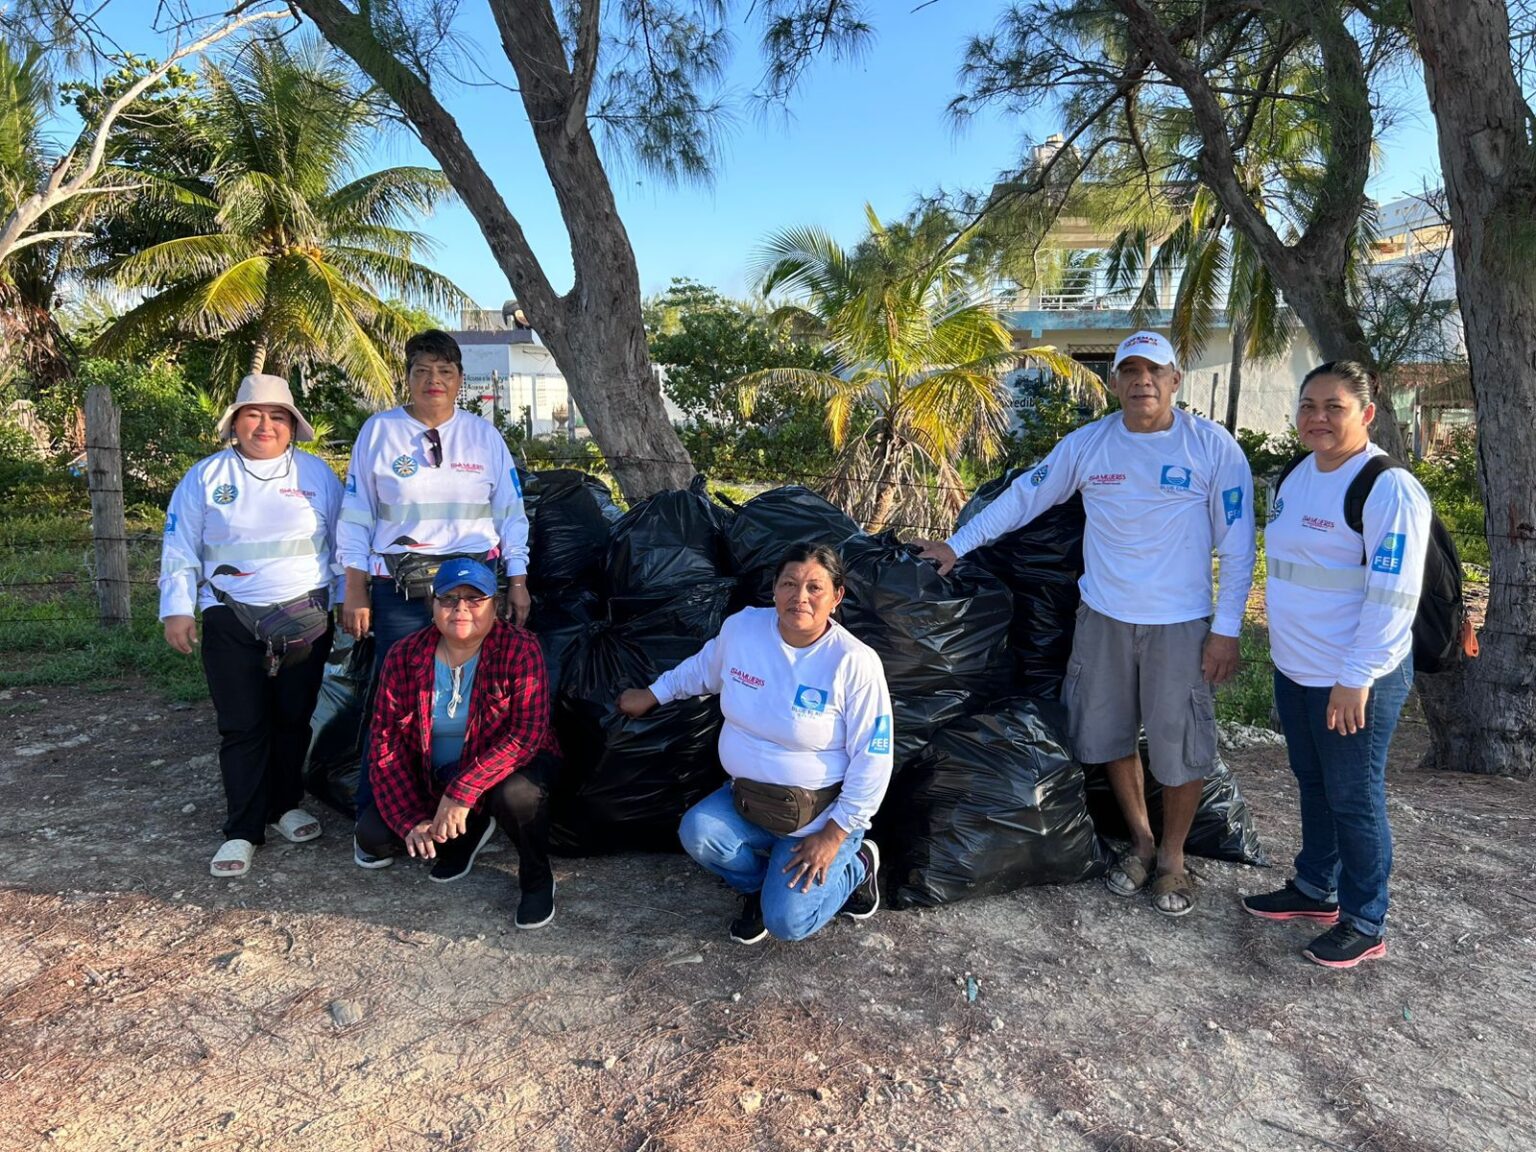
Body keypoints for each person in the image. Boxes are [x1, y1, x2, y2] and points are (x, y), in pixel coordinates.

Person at [916, 330, 1256, 919]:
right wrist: (956, 545)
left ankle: (1173, 856)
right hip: (1102, 618)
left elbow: (1240, 544)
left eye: (1154, 371)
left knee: (1181, 745)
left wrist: (1226, 630)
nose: (1142, 381)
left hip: (1180, 623)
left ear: (1175, 380)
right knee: (1109, 736)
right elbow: (1023, 498)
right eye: (1130, 371)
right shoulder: (1089, 444)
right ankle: (1141, 842)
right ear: (1114, 382)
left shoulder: (1212, 447)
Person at [1242, 362, 1430, 969]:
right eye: (1308, 405)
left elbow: (1393, 594)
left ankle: (1365, 919)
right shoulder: (1295, 476)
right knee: (1313, 780)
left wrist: (1356, 677)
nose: (1317, 418)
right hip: (1296, 666)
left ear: (1367, 414)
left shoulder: (1387, 487)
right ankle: (1314, 887)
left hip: (1353, 676)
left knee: (1354, 796)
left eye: (1334, 407)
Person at [617, 543, 893, 945]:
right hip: (748, 800)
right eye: (789, 583)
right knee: (698, 833)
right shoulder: (744, 630)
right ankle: (757, 889)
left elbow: (874, 758)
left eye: (815, 587)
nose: (800, 596)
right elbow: (702, 670)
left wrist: (833, 836)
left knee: (789, 923)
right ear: (774, 590)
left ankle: (858, 864)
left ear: (837, 597)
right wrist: (652, 694)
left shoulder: (854, 662)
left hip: (817, 819)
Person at [339, 329, 530, 865]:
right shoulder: (379, 432)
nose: (434, 381)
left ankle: (467, 807)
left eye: (445, 372)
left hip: (472, 586)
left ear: (460, 380)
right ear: (407, 377)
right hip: (400, 591)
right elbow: (355, 515)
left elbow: (510, 514)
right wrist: (354, 588)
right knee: (395, 702)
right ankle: (379, 814)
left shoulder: (483, 437)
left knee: (474, 694)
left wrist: (517, 580)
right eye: (422, 370)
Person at [159, 374, 343, 877]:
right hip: (229, 615)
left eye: (278, 416)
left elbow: (342, 543)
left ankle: (285, 806)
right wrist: (177, 608)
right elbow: (179, 545)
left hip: (305, 618)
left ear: (293, 425)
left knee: (293, 719)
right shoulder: (205, 477)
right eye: (254, 415)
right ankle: (242, 829)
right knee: (242, 724)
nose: (265, 425)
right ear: (235, 422)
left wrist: (348, 601)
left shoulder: (317, 475)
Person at [354, 557, 562, 929]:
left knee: (517, 795)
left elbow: (526, 735)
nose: (460, 608)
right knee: (375, 835)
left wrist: (462, 793)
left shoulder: (520, 648)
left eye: (474, 599)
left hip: (501, 770)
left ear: (495, 606)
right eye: (449, 599)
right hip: (436, 774)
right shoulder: (404, 655)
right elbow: (385, 742)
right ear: (432, 606)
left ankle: (536, 877)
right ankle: (470, 830)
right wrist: (411, 819)